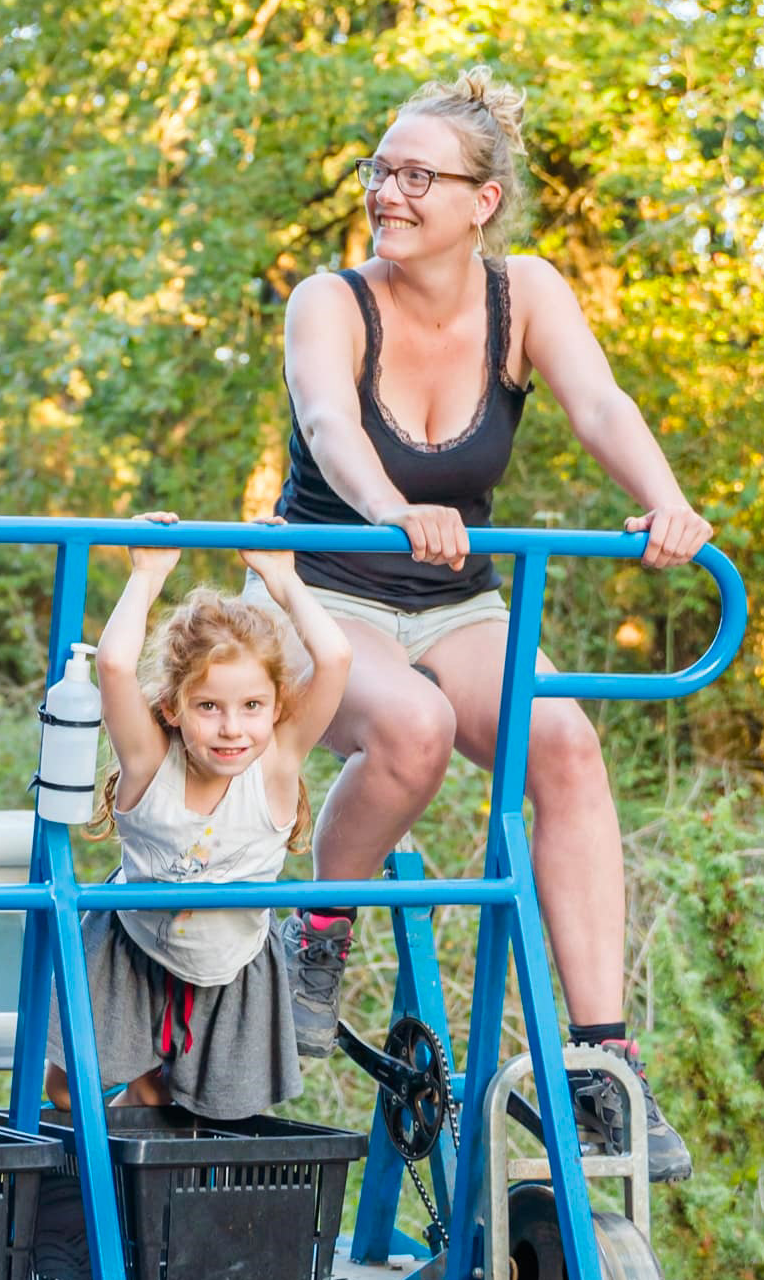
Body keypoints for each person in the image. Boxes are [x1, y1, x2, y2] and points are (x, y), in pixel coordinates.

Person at [272, 68, 715, 1179]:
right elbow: (329, 421)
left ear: (484, 198)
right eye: (380, 170)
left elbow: (599, 405)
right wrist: (391, 512)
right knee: (411, 729)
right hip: (323, 588)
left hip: (454, 597)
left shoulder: (527, 295)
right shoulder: (331, 299)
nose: (389, 193)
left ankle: (599, 1062)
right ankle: (317, 930)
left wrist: (665, 500)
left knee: (564, 739)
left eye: (419, 176)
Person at [54, 533, 353, 1122]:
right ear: (172, 708)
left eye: (251, 707)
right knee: (69, 1092)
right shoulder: (148, 761)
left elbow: (336, 659)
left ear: (276, 709)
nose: (231, 728)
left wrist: (284, 580)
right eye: (208, 706)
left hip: (233, 964)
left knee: (213, 1115)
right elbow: (114, 664)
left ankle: (152, 1161)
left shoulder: (275, 765)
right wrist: (146, 574)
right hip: (131, 951)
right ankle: (127, 1131)